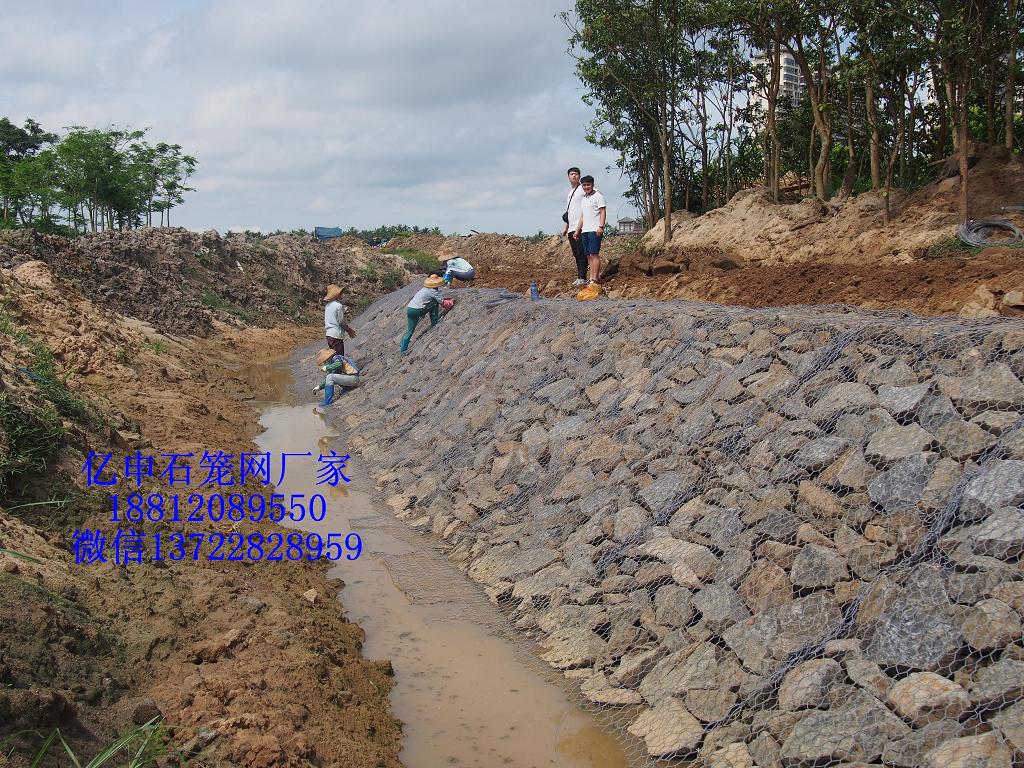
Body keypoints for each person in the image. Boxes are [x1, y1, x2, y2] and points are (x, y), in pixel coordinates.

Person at [573, 175, 607, 301]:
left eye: (588, 184)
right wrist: (577, 230)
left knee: (594, 254)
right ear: (582, 186)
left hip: (594, 229)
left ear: (592, 184)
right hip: (585, 230)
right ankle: (592, 277)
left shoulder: (598, 196)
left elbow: (603, 211)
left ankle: (595, 279)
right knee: (588, 255)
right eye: (584, 185)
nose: (586, 187)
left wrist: (601, 226)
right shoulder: (584, 199)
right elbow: (583, 216)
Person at [400, 275, 447, 356]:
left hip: (410, 309)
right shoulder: (433, 291)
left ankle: (403, 350)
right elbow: (443, 303)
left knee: (409, 331)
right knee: (435, 302)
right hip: (418, 310)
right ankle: (434, 321)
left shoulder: (424, 289)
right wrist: (451, 302)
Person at [560, 167, 587, 286]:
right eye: (571, 174)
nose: (574, 176)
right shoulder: (570, 193)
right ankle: (579, 276)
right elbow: (568, 211)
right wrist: (565, 226)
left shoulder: (582, 188)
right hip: (571, 227)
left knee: (581, 253)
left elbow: (595, 193)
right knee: (576, 253)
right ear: (568, 177)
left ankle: (583, 277)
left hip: (580, 226)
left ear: (579, 176)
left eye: (576, 174)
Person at [323, 284, 356, 356]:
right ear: (337, 295)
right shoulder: (338, 306)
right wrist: (349, 330)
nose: (341, 294)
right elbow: (341, 321)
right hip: (336, 335)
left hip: (329, 335)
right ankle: (328, 368)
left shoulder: (327, 306)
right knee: (339, 358)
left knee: (334, 357)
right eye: (340, 293)